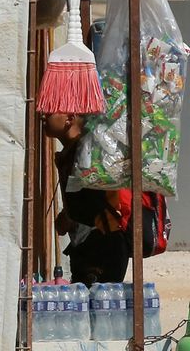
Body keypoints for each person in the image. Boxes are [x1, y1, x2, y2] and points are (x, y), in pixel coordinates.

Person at [43, 112, 130, 285]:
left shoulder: (87, 152)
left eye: (51, 112)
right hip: (85, 246)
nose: (44, 116)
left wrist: (68, 217)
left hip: (102, 244)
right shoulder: (70, 153)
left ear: (70, 118)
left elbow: (92, 199)